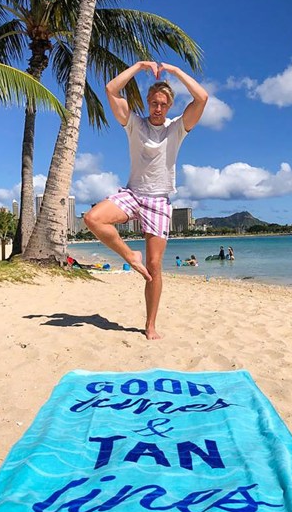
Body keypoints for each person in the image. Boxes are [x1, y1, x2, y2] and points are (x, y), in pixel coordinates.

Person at [84, 61, 208, 339]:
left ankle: (150, 325)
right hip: (132, 194)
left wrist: (175, 72)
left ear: (170, 106)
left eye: (163, 104)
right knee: (93, 218)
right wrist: (139, 66)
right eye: (154, 102)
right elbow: (111, 90)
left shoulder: (177, 128)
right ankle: (130, 255)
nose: (158, 108)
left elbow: (202, 98)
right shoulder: (134, 124)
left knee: (154, 266)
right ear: (148, 102)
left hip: (159, 201)